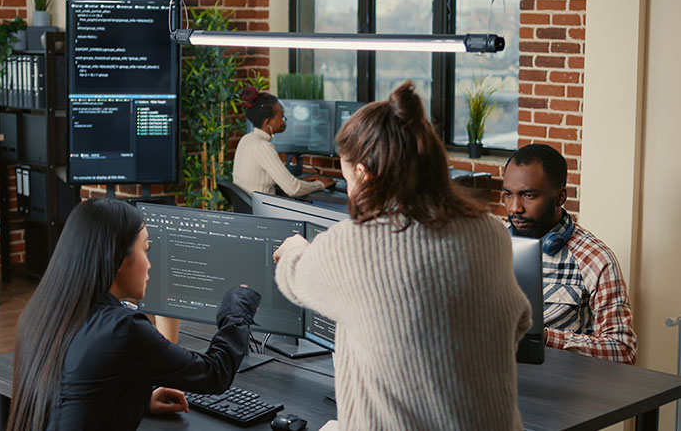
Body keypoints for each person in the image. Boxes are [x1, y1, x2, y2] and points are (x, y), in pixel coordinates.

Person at [273, 80, 531, 430]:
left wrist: (293, 249)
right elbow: (519, 322)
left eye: (349, 177)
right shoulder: (489, 231)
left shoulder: (355, 242)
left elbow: (294, 277)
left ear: (363, 174)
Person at [7, 199, 261, 431]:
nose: (150, 263)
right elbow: (214, 374)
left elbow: (69, 396)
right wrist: (237, 307)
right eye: (146, 249)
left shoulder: (43, 312)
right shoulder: (121, 329)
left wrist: (139, 401)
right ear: (117, 258)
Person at [502, 144, 637, 364]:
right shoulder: (491, 245)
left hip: (560, 391)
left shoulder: (596, 259)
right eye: (508, 194)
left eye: (528, 195)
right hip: (493, 379)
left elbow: (623, 350)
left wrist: (543, 338)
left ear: (560, 197)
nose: (514, 208)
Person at [232, 87, 334, 197]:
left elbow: (260, 179)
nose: (284, 120)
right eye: (281, 117)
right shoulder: (263, 147)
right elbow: (293, 189)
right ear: (268, 122)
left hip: (250, 210)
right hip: (263, 212)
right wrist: (320, 184)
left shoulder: (246, 139)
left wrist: (302, 182)